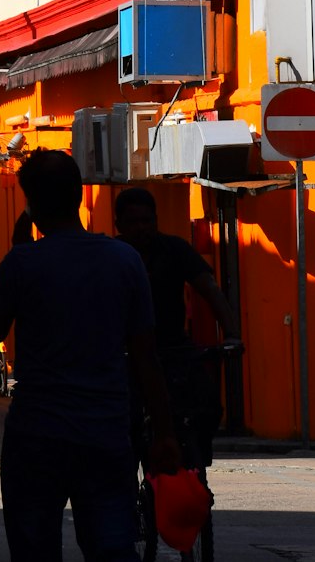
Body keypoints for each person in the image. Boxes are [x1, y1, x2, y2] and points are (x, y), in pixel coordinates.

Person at [0, 150, 179, 562]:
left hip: (37, 434)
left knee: (34, 549)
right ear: (80, 195)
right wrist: (166, 433)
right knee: (112, 547)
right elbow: (145, 356)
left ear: (31, 206)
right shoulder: (124, 261)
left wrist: (16, 252)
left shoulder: (22, 263)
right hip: (104, 431)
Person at [114, 188, 241, 466]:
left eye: (147, 221)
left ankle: (196, 466)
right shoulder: (112, 256)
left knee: (204, 406)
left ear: (156, 221)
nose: (141, 228)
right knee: (118, 426)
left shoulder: (174, 249)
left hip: (174, 351)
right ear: (119, 225)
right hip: (125, 357)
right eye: (133, 222)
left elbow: (208, 288)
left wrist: (232, 334)